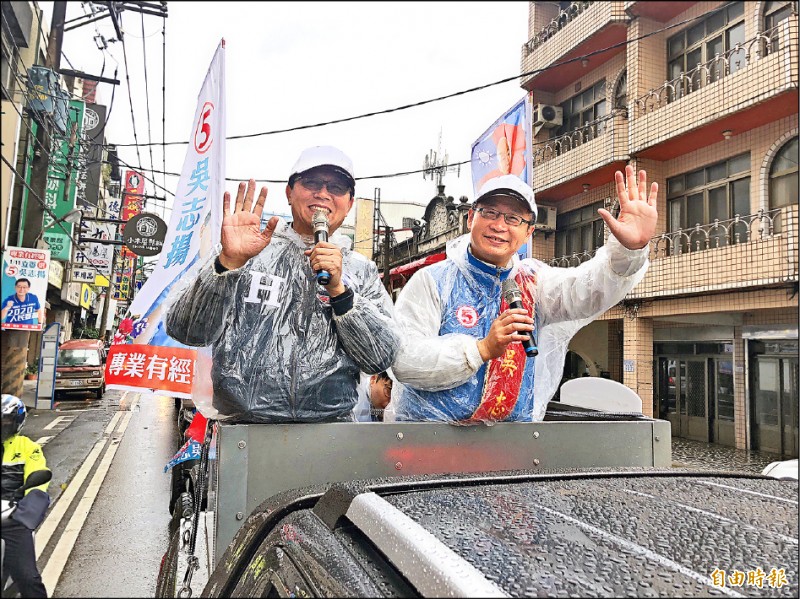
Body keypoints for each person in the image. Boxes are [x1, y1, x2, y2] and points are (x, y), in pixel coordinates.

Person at [391, 166, 658, 423]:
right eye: (490, 213)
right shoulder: (432, 281)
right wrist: (481, 350)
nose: (499, 225)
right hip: (429, 442)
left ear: (529, 231)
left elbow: (588, 290)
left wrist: (627, 251)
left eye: (513, 218)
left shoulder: (533, 283)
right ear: (471, 218)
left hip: (510, 449)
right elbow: (404, 359)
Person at [165, 146, 400, 423]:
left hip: (331, 437)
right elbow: (187, 330)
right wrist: (227, 263)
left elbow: (381, 357)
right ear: (289, 193)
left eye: (336, 187)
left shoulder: (360, 271)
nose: (323, 193)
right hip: (244, 433)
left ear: (349, 204)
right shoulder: (247, 250)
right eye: (311, 182)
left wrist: (340, 293)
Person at [1, 394, 49, 598]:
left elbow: (38, 485)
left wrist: (25, 513)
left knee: (29, 578)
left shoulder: (28, 448)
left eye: (6, 421)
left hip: (13, 520)